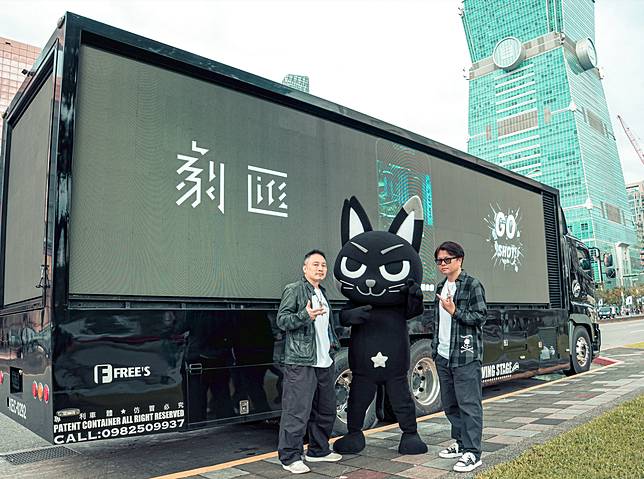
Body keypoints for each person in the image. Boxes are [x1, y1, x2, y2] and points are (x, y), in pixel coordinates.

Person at [276, 250, 342, 474]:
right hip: (301, 361)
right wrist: (305, 316)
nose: (320, 268)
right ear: (305, 268)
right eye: (315, 264)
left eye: (323, 265)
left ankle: (318, 450)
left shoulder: (322, 292)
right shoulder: (294, 289)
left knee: (325, 409)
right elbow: (282, 320)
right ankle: (290, 457)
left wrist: (332, 346)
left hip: (324, 360)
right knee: (297, 411)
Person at [432, 241, 487, 473]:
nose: (443, 264)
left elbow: (480, 316)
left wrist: (455, 311)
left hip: (465, 356)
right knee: (451, 404)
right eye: (439, 261)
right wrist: (435, 349)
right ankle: (461, 443)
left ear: (459, 260)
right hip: (443, 355)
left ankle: (473, 453)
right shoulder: (441, 286)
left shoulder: (472, 285)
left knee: (469, 405)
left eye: (447, 260)